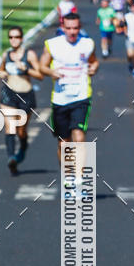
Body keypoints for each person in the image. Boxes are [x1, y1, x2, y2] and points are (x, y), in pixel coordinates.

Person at [39, 11, 98, 164]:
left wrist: (94, 68)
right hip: (60, 98)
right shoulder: (52, 45)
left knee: (79, 137)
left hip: (81, 96)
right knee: (63, 143)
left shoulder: (87, 44)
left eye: (75, 28)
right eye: (69, 28)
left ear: (80, 28)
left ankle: (79, 176)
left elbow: (94, 61)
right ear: (63, 28)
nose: (72, 32)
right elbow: (42, 66)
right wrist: (51, 72)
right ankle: (68, 173)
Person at [0, 25, 43, 174]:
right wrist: (2, 73)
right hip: (9, 94)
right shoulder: (6, 55)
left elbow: (40, 75)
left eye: (16, 37)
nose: (14, 40)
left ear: (22, 39)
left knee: (21, 130)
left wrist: (26, 69)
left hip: (26, 96)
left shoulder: (29, 55)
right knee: (10, 127)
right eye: (11, 37)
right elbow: (1, 69)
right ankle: (11, 158)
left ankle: (23, 147)